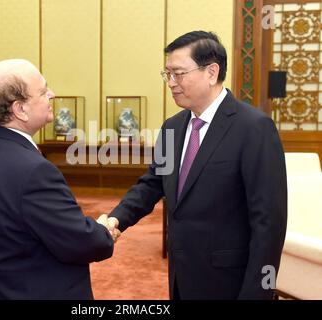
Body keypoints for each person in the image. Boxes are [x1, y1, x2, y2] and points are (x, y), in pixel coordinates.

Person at [106, 31, 287, 299]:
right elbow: (153, 182)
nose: (170, 83)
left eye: (178, 73)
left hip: (229, 283)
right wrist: (116, 219)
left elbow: (269, 224)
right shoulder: (173, 127)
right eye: (167, 74)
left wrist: (258, 292)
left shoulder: (254, 129)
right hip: (181, 277)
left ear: (211, 72)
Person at [0, 59, 117, 299]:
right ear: (19, 109)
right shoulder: (34, 171)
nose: (52, 95)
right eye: (43, 91)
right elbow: (78, 241)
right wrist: (102, 232)